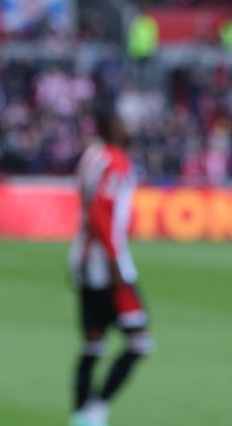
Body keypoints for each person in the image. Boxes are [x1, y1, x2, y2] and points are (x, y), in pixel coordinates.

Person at [68, 108, 153, 426]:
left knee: (93, 343)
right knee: (140, 340)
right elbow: (101, 211)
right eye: (121, 122)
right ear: (110, 127)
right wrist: (115, 259)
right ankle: (96, 410)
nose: (127, 128)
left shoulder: (91, 156)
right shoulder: (116, 160)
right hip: (107, 264)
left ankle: (79, 415)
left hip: (81, 258)